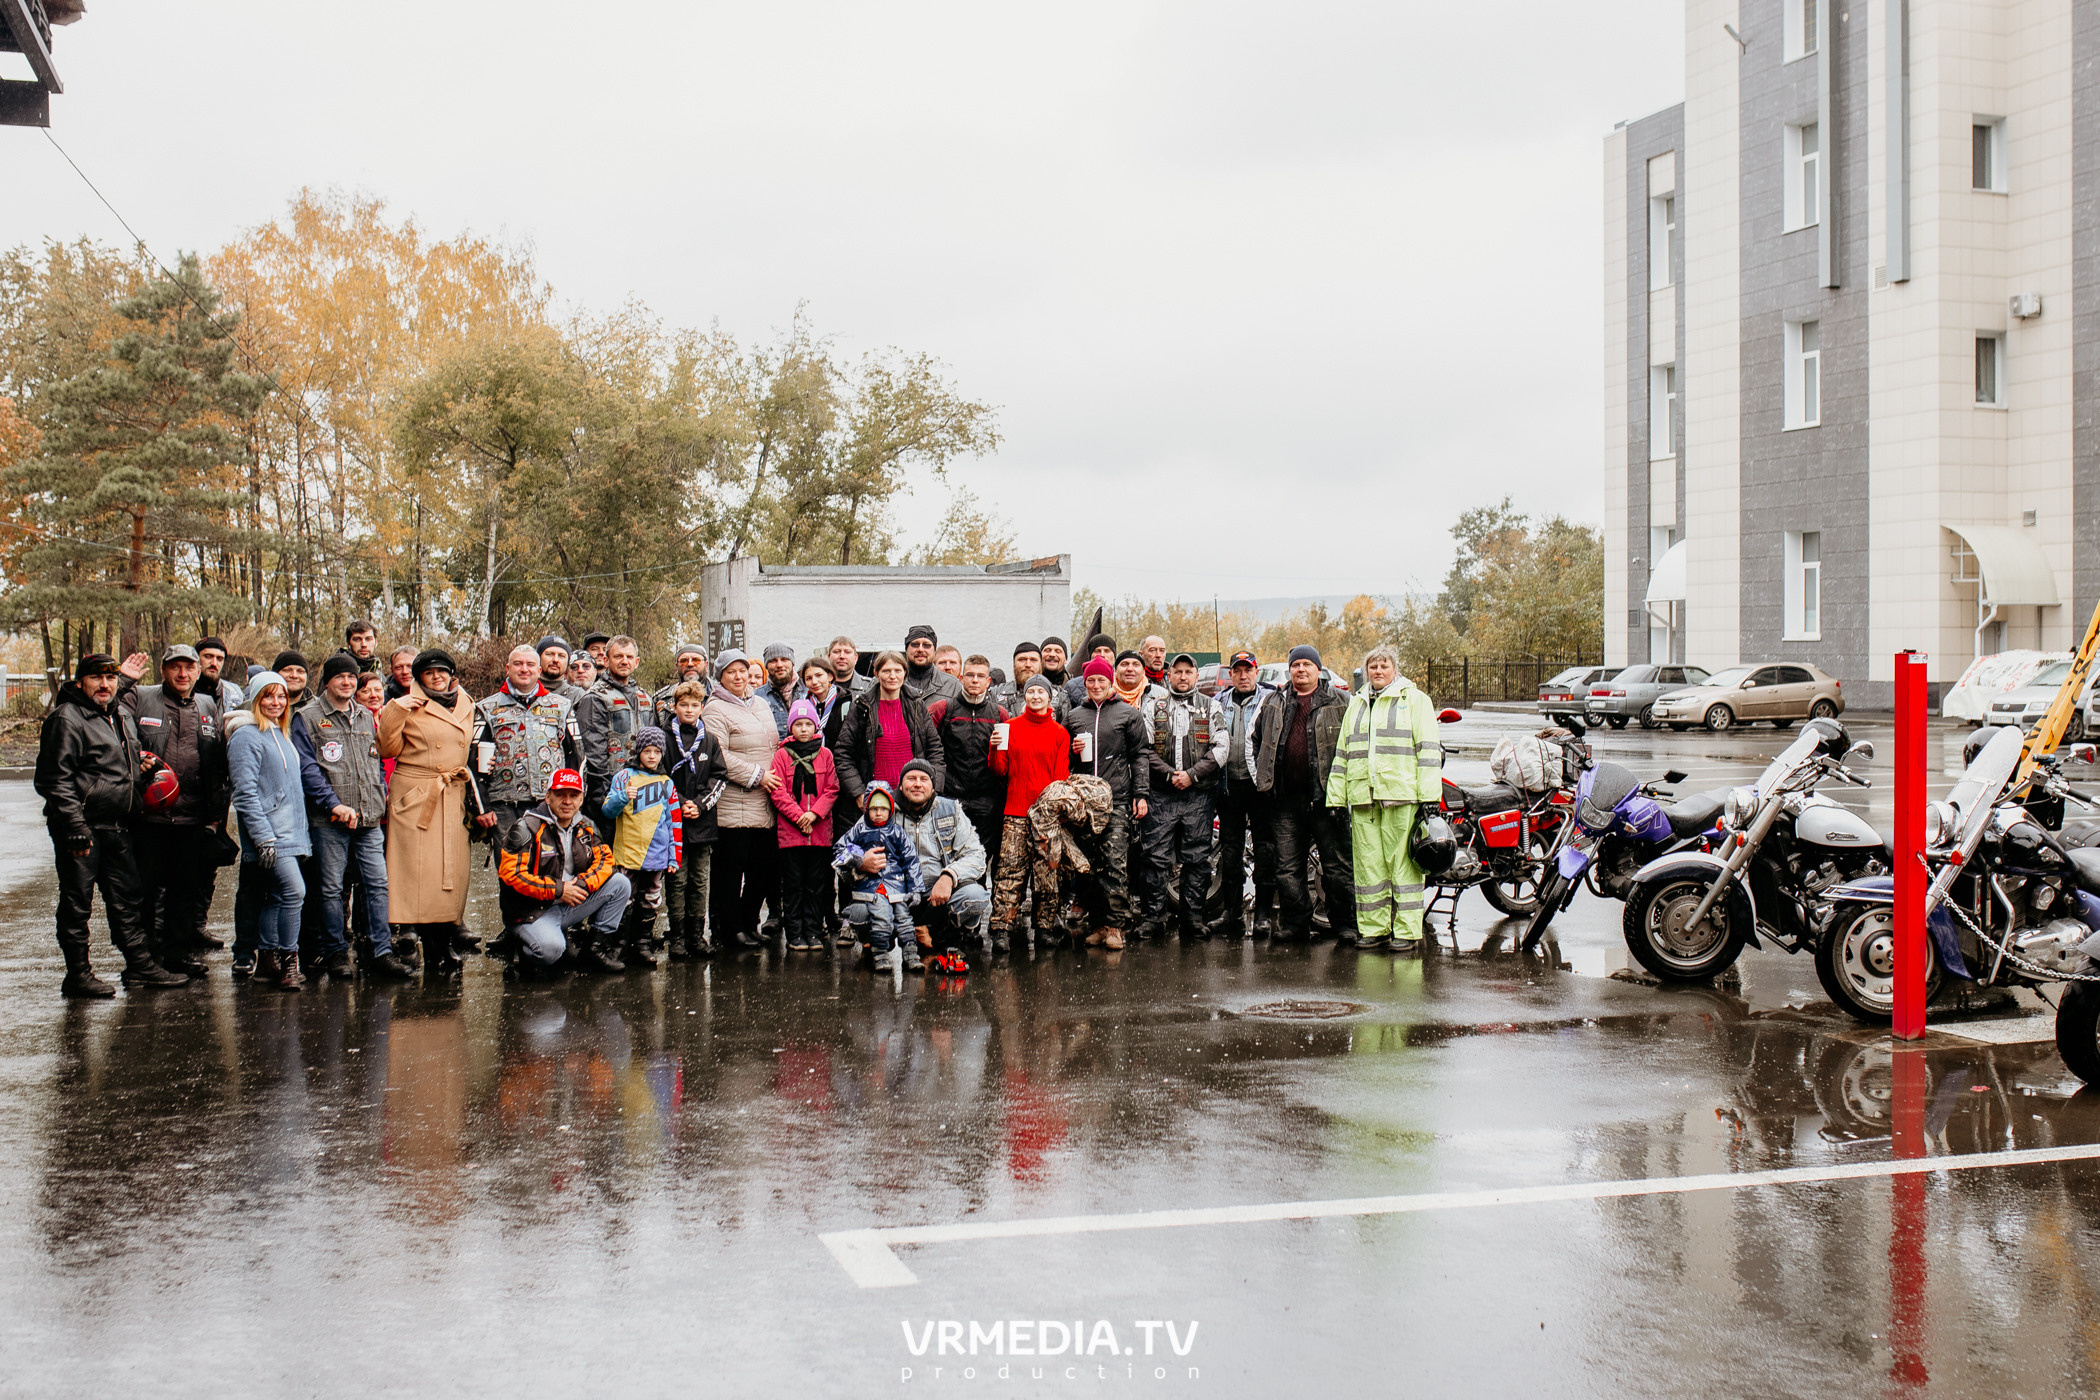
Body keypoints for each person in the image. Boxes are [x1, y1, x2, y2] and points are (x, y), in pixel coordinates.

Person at [35, 653, 188, 997]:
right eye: (96, 678)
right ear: (79, 683)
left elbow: (115, 760)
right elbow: (54, 780)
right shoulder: (67, 718)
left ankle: (140, 965)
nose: (104, 685)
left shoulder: (119, 715)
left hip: (119, 824)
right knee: (78, 904)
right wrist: (74, 824)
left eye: (110, 678)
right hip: (82, 828)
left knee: (127, 900)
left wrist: (139, 765)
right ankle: (78, 974)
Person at [293, 654, 413, 979]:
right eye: (340, 677)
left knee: (378, 884)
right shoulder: (307, 717)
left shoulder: (365, 716)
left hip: (368, 818)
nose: (347, 682)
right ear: (328, 681)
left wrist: (381, 798)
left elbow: (374, 762)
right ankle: (335, 954)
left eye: (351, 677)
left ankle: (380, 952)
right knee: (330, 888)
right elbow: (308, 771)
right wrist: (333, 805)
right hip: (329, 820)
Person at [121, 642, 231, 977]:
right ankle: (144, 958)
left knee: (185, 888)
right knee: (146, 890)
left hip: (192, 815)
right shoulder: (140, 697)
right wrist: (123, 680)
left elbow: (216, 759)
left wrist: (215, 811)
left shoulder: (208, 704)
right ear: (164, 669)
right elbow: (110, 717)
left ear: (198, 671)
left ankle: (177, 953)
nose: (182, 674)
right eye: (175, 667)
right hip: (149, 815)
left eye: (189, 667)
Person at [1326, 644, 1442, 953]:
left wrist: (1430, 797)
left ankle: (1406, 931)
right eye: (1373, 666)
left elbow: (1428, 752)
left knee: (1403, 868)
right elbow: (1343, 754)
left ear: (1395, 669)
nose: (1378, 671)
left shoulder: (1415, 701)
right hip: (1364, 799)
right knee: (1369, 870)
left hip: (1401, 797)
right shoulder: (1357, 704)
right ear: (1366, 671)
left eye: (1384, 666)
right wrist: (1336, 799)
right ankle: (1374, 929)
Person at [379, 649, 486, 973]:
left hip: (453, 795)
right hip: (417, 795)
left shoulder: (466, 703)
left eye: (442, 671)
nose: (437, 676)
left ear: (452, 674)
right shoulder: (404, 704)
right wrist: (395, 711)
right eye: (429, 672)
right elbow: (386, 749)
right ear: (418, 677)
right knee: (421, 879)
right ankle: (434, 949)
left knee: (449, 878)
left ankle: (443, 944)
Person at [497, 767, 630, 975]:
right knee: (550, 952)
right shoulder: (526, 827)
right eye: (560, 795)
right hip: (531, 912)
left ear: (581, 799)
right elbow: (511, 875)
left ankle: (593, 950)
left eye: (573, 795)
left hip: (568, 903)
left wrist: (581, 885)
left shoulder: (586, 826)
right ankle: (520, 945)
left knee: (620, 883)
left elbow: (605, 860)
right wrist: (559, 890)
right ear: (548, 797)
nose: (567, 801)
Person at [229, 671, 312, 992]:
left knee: (278, 897)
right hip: (271, 836)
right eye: (268, 696)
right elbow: (245, 793)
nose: (276, 702)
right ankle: (290, 962)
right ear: (255, 699)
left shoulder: (281, 733)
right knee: (295, 892)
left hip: (292, 833)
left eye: (281, 696)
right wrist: (262, 837)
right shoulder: (246, 736)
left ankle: (267, 961)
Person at [1136, 653, 1228, 940]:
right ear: (1170, 675)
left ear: (1197, 676)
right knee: (1154, 857)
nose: (1183, 677)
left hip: (1198, 796)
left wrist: (1192, 775)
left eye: (1189, 672)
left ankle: (1193, 919)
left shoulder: (1212, 707)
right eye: (1178, 671)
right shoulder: (1153, 706)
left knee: (1197, 859)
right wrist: (1169, 775)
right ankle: (1153, 919)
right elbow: (1144, 748)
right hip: (1161, 795)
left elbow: (1222, 748)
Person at [1271, 644, 1355, 942]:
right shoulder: (1275, 701)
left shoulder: (1342, 701)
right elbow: (1259, 741)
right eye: (1296, 665)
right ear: (1290, 670)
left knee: (1337, 866)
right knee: (1288, 868)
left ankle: (1345, 924)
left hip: (1327, 799)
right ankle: (1295, 924)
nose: (1301, 669)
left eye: (1307, 664)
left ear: (1319, 669)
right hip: (1286, 801)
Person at [1066, 656, 1150, 948]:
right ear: (1085, 683)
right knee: (1089, 864)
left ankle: (1115, 926)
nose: (1097, 685)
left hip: (1117, 798)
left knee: (1115, 862)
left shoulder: (1128, 714)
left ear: (1110, 681)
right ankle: (1098, 924)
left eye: (1102, 680)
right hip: (1085, 801)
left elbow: (1140, 755)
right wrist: (1072, 750)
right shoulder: (1075, 715)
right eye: (1091, 680)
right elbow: (1064, 758)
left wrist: (1141, 794)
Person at [703, 650, 783, 948]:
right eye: (731, 672)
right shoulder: (714, 709)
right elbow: (718, 755)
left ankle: (750, 923)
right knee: (730, 871)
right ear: (720, 676)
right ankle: (730, 929)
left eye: (743, 671)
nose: (739, 677)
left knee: (763, 868)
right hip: (734, 802)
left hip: (765, 800)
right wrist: (757, 775)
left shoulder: (760, 703)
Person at [987, 673, 1071, 950]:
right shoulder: (1009, 727)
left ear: (1050, 697)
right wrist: (995, 746)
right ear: (1025, 696)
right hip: (1015, 813)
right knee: (1009, 872)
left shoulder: (1060, 733)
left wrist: (1055, 815)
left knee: (1047, 874)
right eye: (1031, 692)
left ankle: (1045, 927)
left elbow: (1060, 779)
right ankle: (1002, 928)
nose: (1036, 696)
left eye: (1041, 692)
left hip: (1046, 818)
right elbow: (999, 771)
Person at [474, 644, 583, 846]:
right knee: (511, 870)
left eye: (530, 664)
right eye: (518, 664)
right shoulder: (486, 708)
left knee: (551, 867)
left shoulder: (562, 706)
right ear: (507, 668)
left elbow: (577, 756)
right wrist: (483, 807)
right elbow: (474, 761)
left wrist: (573, 799)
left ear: (539, 670)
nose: (524, 669)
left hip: (550, 803)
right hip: (505, 806)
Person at [1211, 651, 1282, 937]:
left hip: (1261, 788)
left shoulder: (1271, 700)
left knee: (1266, 850)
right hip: (1229, 787)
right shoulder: (1219, 702)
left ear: (1257, 672)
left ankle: (1263, 915)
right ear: (1231, 674)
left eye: (1248, 670)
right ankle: (1232, 914)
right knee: (1230, 853)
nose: (1243, 676)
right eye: (1237, 671)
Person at [892, 759, 993, 959]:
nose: (917, 784)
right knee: (860, 912)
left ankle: (942, 936)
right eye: (911, 778)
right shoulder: (884, 809)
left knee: (975, 896)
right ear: (901, 785)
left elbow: (976, 854)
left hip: (936, 896)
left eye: (924, 779)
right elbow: (847, 851)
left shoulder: (950, 809)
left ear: (933, 786)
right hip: (897, 894)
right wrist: (862, 860)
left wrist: (949, 875)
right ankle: (880, 940)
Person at [602, 725, 681, 968]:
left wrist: (674, 856)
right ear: (639, 752)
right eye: (647, 751)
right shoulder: (624, 777)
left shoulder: (666, 782)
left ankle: (643, 943)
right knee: (625, 900)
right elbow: (607, 810)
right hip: (626, 854)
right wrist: (623, 796)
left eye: (657, 752)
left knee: (650, 901)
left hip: (656, 857)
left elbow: (674, 822)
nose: (652, 756)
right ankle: (619, 944)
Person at [927, 654, 1008, 879]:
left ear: (988, 681)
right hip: (952, 797)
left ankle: (976, 902)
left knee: (982, 855)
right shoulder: (943, 709)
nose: (975, 680)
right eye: (970, 675)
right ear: (961, 677)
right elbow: (929, 750)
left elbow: (1006, 759)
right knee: (948, 854)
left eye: (980, 676)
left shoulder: (999, 714)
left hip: (986, 799)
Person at [770, 699, 840, 951]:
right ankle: (794, 933)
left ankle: (812, 930)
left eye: (807, 724)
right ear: (790, 727)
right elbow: (778, 792)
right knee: (793, 885)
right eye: (797, 724)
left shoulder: (825, 755)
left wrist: (815, 814)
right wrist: (800, 816)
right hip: (791, 834)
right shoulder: (781, 756)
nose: (803, 729)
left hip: (819, 833)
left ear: (815, 727)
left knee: (815, 885)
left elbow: (832, 789)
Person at [662, 681, 726, 958]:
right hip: (672, 821)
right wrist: (679, 802)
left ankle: (697, 935)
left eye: (694, 705)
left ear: (702, 708)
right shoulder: (663, 737)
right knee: (678, 879)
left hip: (702, 821)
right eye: (683, 705)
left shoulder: (710, 740)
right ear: (674, 707)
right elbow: (658, 775)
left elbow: (719, 776)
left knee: (700, 880)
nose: (689, 710)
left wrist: (700, 805)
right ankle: (676, 937)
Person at [833, 781, 923, 972]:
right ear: (866, 808)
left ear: (891, 809)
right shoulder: (859, 830)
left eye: (883, 808)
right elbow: (839, 850)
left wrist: (915, 889)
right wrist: (858, 860)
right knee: (881, 918)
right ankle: (880, 953)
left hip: (896, 886)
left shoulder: (897, 832)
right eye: (874, 808)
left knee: (904, 919)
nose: (879, 813)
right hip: (871, 887)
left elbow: (911, 860)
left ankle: (911, 954)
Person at [836, 650, 945, 808]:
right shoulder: (861, 708)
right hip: (875, 801)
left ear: (905, 673)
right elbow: (843, 753)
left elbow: (935, 750)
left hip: (912, 799)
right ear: (876, 673)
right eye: (886, 671)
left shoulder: (916, 705)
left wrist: (932, 790)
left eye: (897, 671)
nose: (892, 676)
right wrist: (858, 793)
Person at [581, 634, 655, 824]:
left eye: (629, 657)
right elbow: (593, 754)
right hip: (610, 791)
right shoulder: (595, 697)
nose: (624, 661)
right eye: (618, 656)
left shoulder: (645, 697)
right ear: (606, 660)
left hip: (642, 789)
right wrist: (604, 799)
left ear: (636, 662)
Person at [993, 641, 1069, 721]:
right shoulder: (996, 694)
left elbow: (1064, 731)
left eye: (1033, 660)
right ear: (1014, 664)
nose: (1028, 664)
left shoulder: (1060, 696)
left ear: (1041, 664)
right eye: (1022, 660)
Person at [800, 656, 851, 751]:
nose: (814, 682)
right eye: (808, 678)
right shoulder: (802, 707)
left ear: (830, 676)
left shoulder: (847, 703)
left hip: (839, 761)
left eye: (819, 675)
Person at [902, 625, 963, 703]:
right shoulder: (893, 682)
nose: (920, 649)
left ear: (934, 651)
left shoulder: (953, 686)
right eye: (915, 645)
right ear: (906, 650)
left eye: (926, 645)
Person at [759, 642, 805, 737]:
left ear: (792, 663)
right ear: (766, 666)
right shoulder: (757, 697)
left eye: (784, 659)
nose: (779, 665)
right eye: (773, 661)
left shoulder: (808, 691)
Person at [1065, 634, 1118, 707]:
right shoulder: (1072, 686)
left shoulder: (1123, 684)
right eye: (1097, 651)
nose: (1102, 654)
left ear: (1114, 656)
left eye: (1107, 651)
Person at [654, 643, 710, 708]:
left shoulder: (720, 695)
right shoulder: (661, 699)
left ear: (706, 665)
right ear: (677, 666)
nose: (690, 664)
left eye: (696, 660)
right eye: (684, 661)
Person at [195, 636, 244, 709]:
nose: (214, 663)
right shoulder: (185, 690)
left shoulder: (235, 693)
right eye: (208, 656)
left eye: (219, 659)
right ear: (197, 659)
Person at [829, 635, 871, 701]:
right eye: (837, 652)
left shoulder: (870, 687)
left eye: (847, 652)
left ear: (855, 658)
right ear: (829, 657)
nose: (842, 656)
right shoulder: (818, 686)